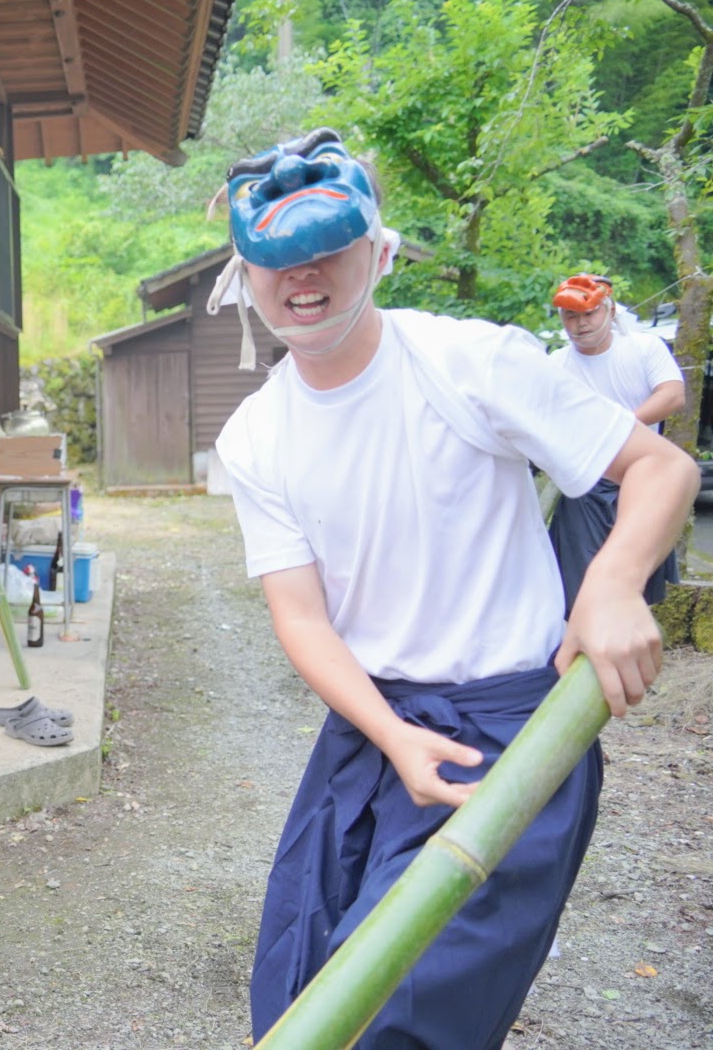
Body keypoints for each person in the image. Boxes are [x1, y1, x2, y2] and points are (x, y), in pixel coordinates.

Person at [209, 128, 697, 1048]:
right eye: (279, 261)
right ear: (244, 276)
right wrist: (391, 734)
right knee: (295, 994)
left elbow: (659, 471)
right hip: (372, 727)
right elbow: (301, 617)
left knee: (395, 1017)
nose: (303, 277)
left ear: (380, 253)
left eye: (329, 250)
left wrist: (612, 584)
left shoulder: (472, 361)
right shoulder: (254, 434)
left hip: (511, 735)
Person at [547, 272, 685, 613]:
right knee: (580, 581)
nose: (580, 324)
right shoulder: (555, 364)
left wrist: (620, 428)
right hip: (585, 482)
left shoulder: (643, 347)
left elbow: (672, 395)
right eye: (571, 316)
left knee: (637, 581)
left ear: (609, 311)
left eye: (588, 314)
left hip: (642, 476)